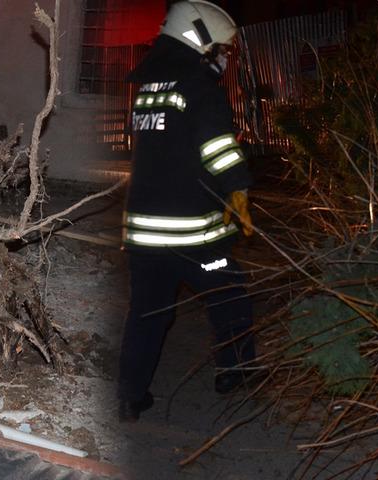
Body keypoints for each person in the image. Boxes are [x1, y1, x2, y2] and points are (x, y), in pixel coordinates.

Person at [118, 0, 256, 423]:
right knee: (229, 293)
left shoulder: (149, 88)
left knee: (147, 314)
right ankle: (236, 371)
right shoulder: (199, 87)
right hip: (194, 238)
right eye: (222, 49)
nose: (225, 58)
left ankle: (130, 397)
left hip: (144, 235)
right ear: (200, 40)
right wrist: (238, 188)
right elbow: (218, 149)